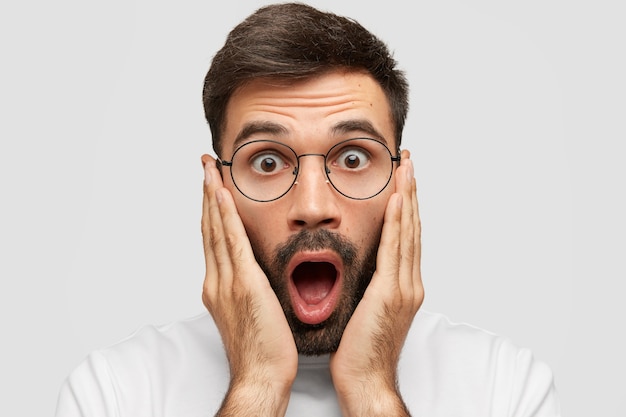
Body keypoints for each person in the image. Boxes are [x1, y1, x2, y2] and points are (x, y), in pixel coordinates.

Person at [55, 3, 560, 416]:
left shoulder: (507, 387)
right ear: (217, 187)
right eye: (268, 161)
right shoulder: (113, 391)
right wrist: (256, 387)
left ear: (402, 182)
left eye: (353, 157)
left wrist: (372, 392)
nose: (313, 207)